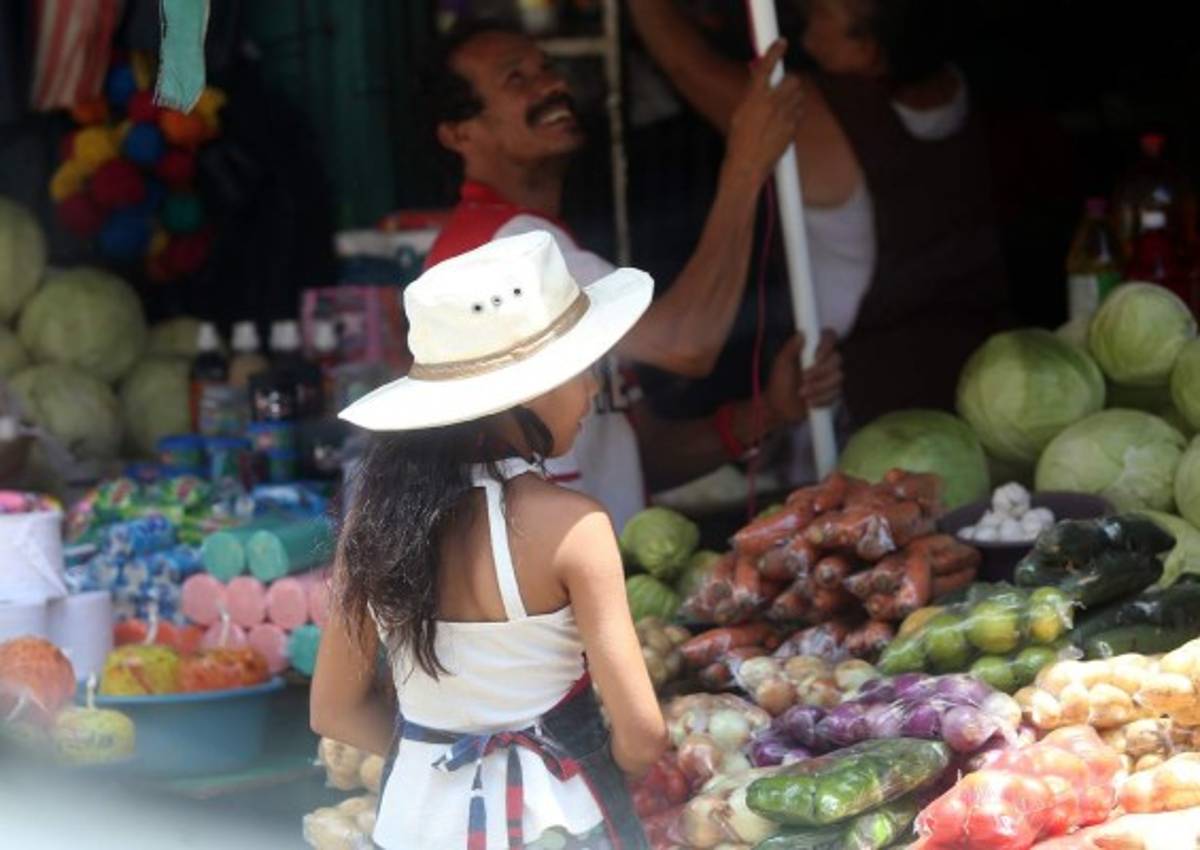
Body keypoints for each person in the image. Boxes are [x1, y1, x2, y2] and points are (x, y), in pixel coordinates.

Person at [311, 232, 666, 849]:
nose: (592, 392)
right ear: (523, 390)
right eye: (581, 371)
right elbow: (642, 735)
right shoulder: (574, 527)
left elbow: (334, 711)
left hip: (414, 826)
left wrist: (440, 749)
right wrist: (580, 762)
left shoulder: (371, 526)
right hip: (555, 823)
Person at [419, 22, 842, 527]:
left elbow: (637, 455)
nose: (552, 86)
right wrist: (746, 164)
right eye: (516, 79)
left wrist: (767, 413)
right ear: (458, 133)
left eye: (547, 68)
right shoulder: (501, 247)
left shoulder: (544, 239)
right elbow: (687, 343)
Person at [628, 0, 1010, 428]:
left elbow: (687, 66)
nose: (805, 21)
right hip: (980, 381)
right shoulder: (954, 89)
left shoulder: (813, 113)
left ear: (866, 50)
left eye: (821, 13)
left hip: (862, 400)